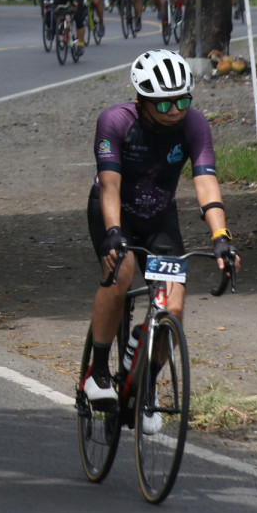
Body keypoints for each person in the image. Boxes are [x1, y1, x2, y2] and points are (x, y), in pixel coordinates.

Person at [82, 50, 238, 422]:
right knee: (121, 270)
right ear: (142, 101)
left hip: (159, 217)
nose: (175, 111)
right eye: (165, 104)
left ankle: (144, 385)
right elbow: (110, 185)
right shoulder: (115, 121)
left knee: (174, 308)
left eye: (183, 101)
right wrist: (114, 233)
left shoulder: (195, 125)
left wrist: (221, 236)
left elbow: (206, 182)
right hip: (113, 211)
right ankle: (98, 371)